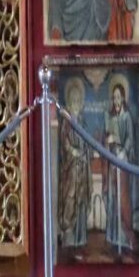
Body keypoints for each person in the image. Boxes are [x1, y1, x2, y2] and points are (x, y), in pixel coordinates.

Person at [104, 82, 137, 256]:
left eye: (118, 96)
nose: (116, 100)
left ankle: (125, 239)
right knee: (112, 198)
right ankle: (114, 239)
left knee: (122, 199)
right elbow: (107, 137)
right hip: (113, 161)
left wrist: (124, 151)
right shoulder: (111, 117)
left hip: (123, 162)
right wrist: (108, 141)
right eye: (114, 97)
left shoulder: (127, 117)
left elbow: (130, 139)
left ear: (123, 98)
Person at [57, 78, 90, 251]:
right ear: (69, 103)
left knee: (81, 199)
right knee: (70, 198)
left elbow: (87, 141)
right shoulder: (66, 122)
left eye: (78, 101)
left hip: (82, 167)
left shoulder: (82, 121)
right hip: (70, 168)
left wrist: (84, 153)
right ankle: (68, 238)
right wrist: (73, 152)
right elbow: (65, 143)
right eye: (73, 101)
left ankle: (80, 239)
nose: (76, 104)